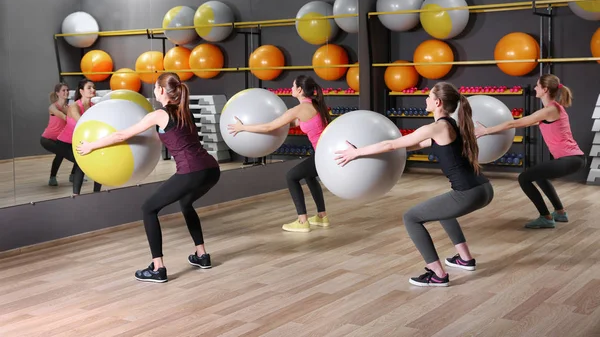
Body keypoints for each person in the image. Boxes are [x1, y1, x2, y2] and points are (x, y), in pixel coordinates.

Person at [335, 82, 494, 287]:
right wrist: (381, 151)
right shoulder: (452, 125)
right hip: (484, 188)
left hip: (468, 193)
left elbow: (391, 144)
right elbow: (413, 145)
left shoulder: (436, 127)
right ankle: (465, 259)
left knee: (411, 217)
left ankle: (437, 274)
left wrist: (356, 152)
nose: (425, 100)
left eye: (428, 97)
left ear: (437, 102)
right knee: (443, 211)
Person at [77, 73, 220, 283]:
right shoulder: (183, 111)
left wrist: (91, 146)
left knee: (148, 208)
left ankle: (158, 267)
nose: (154, 90)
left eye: (155, 87)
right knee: (186, 203)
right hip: (211, 169)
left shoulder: (159, 114)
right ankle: (202, 255)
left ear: (162, 90)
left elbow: (121, 135)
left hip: (191, 171)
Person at [475, 74, 585, 229]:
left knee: (524, 178)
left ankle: (546, 217)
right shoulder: (551, 109)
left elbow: (516, 123)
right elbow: (524, 123)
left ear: (545, 89)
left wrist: (486, 131)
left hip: (571, 159)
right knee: (539, 176)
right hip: (574, 158)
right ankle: (560, 212)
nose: (534, 88)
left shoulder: (550, 110)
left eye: (537, 85)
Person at [228, 76, 330, 233]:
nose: (291, 88)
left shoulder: (299, 110)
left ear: (300, 90)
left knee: (291, 177)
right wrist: (264, 121)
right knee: (309, 176)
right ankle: (322, 217)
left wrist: (243, 127)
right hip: (324, 153)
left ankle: (302, 221)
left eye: (293, 86)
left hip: (322, 155)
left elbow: (269, 127)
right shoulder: (314, 106)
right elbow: (289, 123)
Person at [55, 79, 102, 195]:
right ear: (81, 91)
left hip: (81, 142)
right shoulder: (74, 107)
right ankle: (76, 195)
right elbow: (83, 123)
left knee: (98, 161)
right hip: (65, 144)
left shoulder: (94, 106)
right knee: (82, 162)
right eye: (89, 88)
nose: (93, 90)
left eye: (94, 87)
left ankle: (97, 193)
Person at [40, 83, 75, 186]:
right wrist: (73, 118)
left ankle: (71, 176)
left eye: (67, 90)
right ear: (57, 93)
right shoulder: (53, 107)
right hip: (47, 139)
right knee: (66, 155)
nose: (66, 92)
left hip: (61, 139)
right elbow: (62, 116)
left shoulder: (69, 107)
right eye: (63, 90)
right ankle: (53, 178)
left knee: (77, 153)